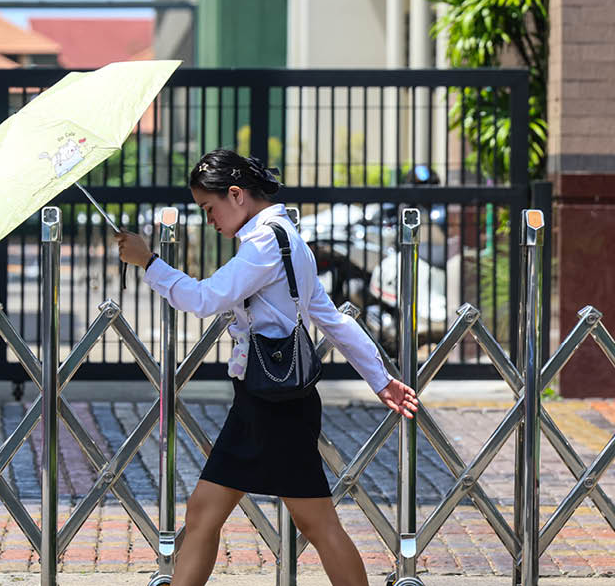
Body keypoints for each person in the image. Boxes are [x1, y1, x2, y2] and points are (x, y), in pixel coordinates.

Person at [114, 149, 419, 586]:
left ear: (236, 194)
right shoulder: (284, 237)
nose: (210, 220)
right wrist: (379, 378)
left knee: (317, 523)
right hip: (260, 400)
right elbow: (331, 318)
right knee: (205, 512)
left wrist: (148, 262)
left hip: (277, 405)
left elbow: (205, 299)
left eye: (210, 208)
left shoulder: (264, 244)